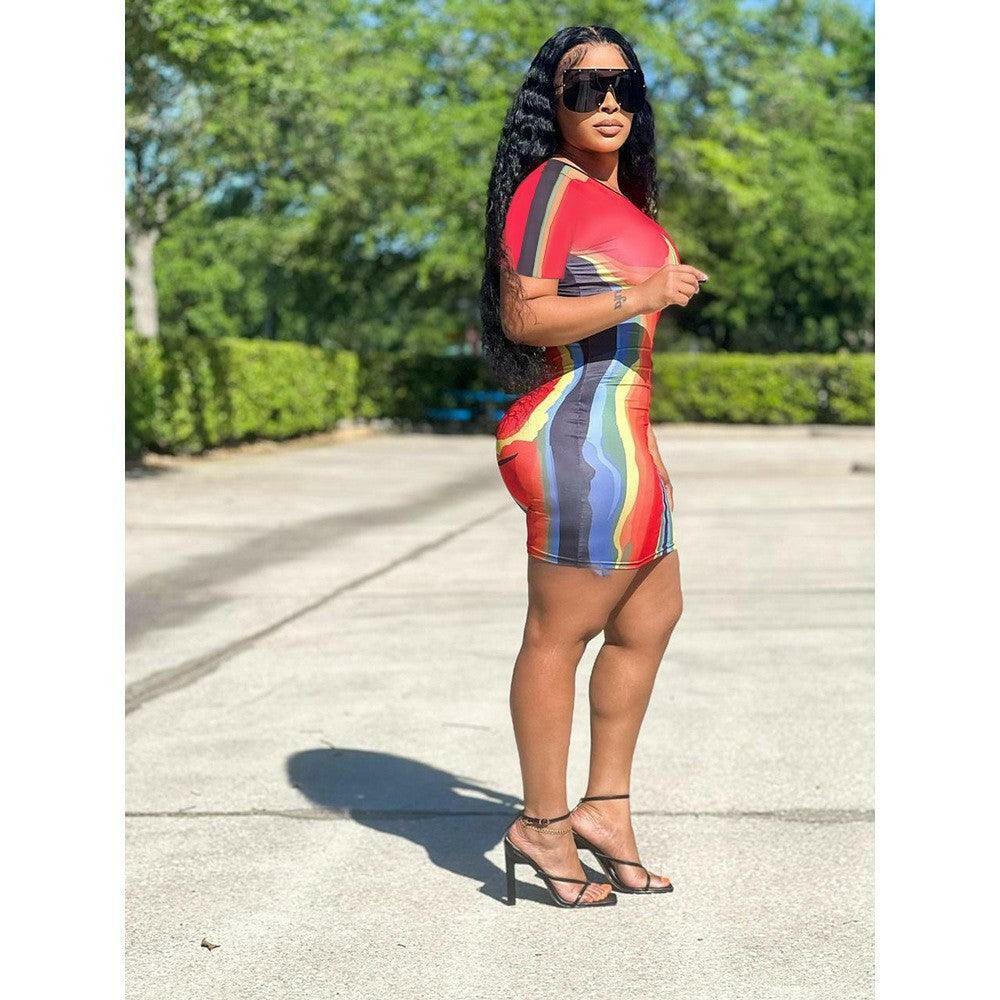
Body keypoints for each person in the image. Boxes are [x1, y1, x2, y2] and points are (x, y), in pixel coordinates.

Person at [478, 25, 708, 908]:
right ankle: (542, 822)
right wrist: (640, 292)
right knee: (560, 633)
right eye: (585, 87)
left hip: (626, 434)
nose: (608, 101)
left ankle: (604, 809)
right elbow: (524, 315)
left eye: (624, 86)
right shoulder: (547, 188)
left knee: (651, 616)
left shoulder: (617, 194)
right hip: (578, 434)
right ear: (553, 103)